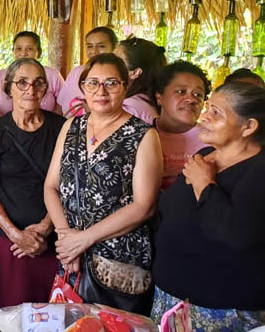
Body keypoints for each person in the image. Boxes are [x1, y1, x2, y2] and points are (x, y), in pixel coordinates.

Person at [43, 53, 162, 314]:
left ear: (126, 87)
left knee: (113, 325)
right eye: (93, 83)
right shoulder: (71, 126)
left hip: (116, 262)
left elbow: (144, 206)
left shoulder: (143, 135)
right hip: (72, 256)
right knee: (71, 324)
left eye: (112, 83)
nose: (101, 91)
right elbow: (51, 186)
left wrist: (83, 240)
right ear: (83, 87)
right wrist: (66, 238)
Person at [151, 82, 265, 329]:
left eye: (216, 113)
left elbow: (235, 234)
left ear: (249, 127)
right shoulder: (203, 155)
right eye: (208, 108)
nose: (204, 117)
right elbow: (170, 210)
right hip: (170, 298)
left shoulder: (258, 170)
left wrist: (204, 184)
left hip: (223, 308)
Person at [0, 58, 65, 309]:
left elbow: (67, 186)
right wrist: (15, 234)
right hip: (7, 240)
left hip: (51, 238)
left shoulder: (61, 128)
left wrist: (44, 229)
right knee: (8, 311)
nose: (31, 90)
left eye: (38, 83)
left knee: (51, 311)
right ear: (9, 88)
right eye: (22, 83)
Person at [154, 61, 210, 190]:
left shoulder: (212, 140)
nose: (191, 99)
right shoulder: (139, 135)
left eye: (198, 95)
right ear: (159, 97)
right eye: (181, 91)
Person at [0, 31, 63, 116]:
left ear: (39, 53)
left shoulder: (53, 75)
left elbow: (63, 103)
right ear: (13, 51)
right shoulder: (0, 76)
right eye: (19, 49)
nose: (23, 53)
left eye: (29, 49)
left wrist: (53, 122)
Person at [57, 27, 118, 118]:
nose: (93, 51)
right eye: (89, 46)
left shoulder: (117, 77)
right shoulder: (76, 72)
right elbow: (59, 106)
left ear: (115, 48)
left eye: (101, 46)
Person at [112, 37, 166, 124]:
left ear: (135, 73)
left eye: (117, 62)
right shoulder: (144, 101)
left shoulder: (131, 108)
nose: (109, 64)